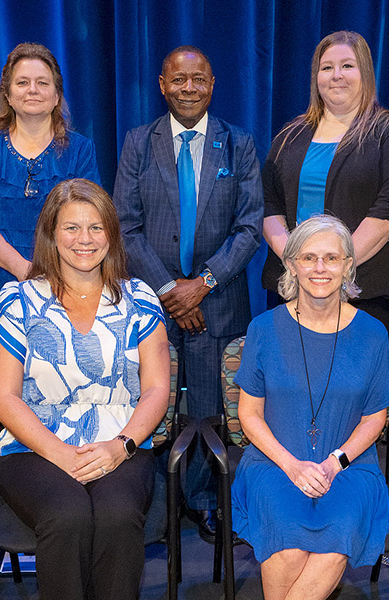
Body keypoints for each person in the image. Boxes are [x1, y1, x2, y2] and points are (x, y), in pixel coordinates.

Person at [0, 179, 169, 600]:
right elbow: (4, 398)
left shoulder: (141, 299)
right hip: (34, 446)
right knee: (66, 517)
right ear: (51, 234)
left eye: (96, 227)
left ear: (112, 234)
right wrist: (59, 452)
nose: (84, 239)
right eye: (71, 227)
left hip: (121, 442)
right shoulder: (17, 300)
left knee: (116, 517)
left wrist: (122, 446)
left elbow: (158, 390)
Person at [226, 215, 389, 600]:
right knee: (285, 528)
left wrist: (336, 461)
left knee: (338, 529)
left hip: (349, 463)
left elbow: (376, 415)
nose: (320, 268)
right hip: (275, 458)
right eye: (308, 257)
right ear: (291, 265)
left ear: (348, 266)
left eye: (332, 257)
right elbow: (248, 415)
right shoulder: (263, 328)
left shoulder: (372, 333)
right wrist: (293, 464)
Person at [113, 45, 262, 543]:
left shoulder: (238, 145)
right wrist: (168, 291)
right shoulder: (138, 142)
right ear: (162, 84)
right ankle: (156, 501)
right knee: (151, 403)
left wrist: (203, 285)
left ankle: (202, 500)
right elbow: (126, 228)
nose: (189, 88)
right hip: (153, 302)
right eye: (179, 80)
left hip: (218, 302)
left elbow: (249, 227)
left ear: (213, 83)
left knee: (209, 409)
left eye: (199, 79)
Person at [261, 30, 389, 336]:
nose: (337, 76)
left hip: (363, 293)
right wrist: (298, 266)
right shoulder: (289, 136)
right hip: (291, 288)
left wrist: (331, 269)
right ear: (315, 77)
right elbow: (270, 206)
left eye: (348, 66)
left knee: (350, 384)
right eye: (327, 67)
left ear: (366, 73)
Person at [0, 42, 101, 377]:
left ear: (57, 95)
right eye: (22, 82)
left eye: (43, 83)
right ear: (7, 94)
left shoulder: (81, 149)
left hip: (67, 290)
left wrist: (52, 276)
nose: (33, 90)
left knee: (62, 388)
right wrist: (25, 271)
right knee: (5, 395)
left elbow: (89, 221)